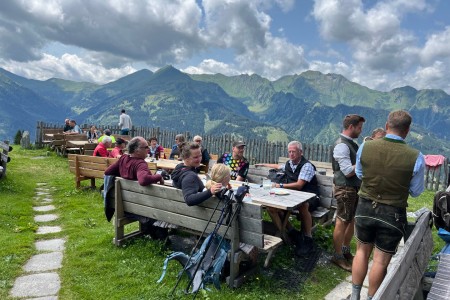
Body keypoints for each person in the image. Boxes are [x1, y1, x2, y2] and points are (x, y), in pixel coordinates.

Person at [350, 110, 425, 300]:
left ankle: (355, 295)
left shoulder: (365, 147)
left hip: (365, 207)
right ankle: (371, 298)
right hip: (393, 214)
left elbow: (360, 174)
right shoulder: (416, 157)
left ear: (386, 126)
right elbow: (416, 191)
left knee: (361, 251)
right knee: (380, 261)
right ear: (407, 130)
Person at [255, 141, 319, 256]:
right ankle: (291, 233)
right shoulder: (289, 164)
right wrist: (263, 164)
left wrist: (279, 185)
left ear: (300, 152)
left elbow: (299, 185)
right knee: (271, 207)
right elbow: (277, 166)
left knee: (303, 205)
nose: (291, 154)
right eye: (289, 152)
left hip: (310, 196)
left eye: (293, 152)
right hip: (293, 197)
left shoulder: (306, 166)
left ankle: (308, 239)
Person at [104, 136, 165, 238]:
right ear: (136, 150)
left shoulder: (123, 158)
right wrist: (159, 176)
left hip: (124, 205)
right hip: (143, 207)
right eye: (145, 147)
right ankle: (159, 235)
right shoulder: (140, 164)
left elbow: (108, 172)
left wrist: (124, 174)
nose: (148, 149)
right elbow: (143, 180)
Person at [331, 114, 365, 272]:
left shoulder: (351, 144)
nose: (360, 130)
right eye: (359, 127)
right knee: (342, 221)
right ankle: (337, 256)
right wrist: (363, 161)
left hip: (353, 188)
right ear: (351, 127)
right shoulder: (341, 145)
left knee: (351, 220)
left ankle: (345, 251)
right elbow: (347, 171)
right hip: (345, 188)